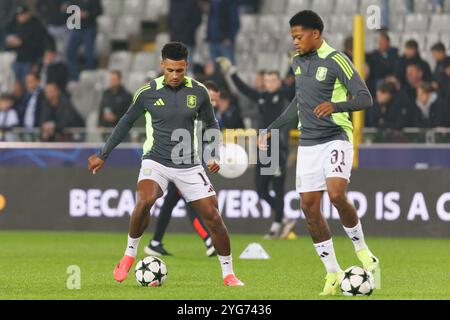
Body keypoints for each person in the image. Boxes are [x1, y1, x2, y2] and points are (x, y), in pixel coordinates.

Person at [87, 42, 244, 287]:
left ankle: (229, 274)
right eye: (170, 70)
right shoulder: (147, 92)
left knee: (213, 217)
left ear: (186, 67)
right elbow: (125, 122)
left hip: (189, 164)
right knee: (145, 200)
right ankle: (130, 253)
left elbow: (212, 125)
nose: (174, 75)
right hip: (156, 160)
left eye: (179, 71)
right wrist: (103, 153)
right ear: (162, 65)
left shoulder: (199, 92)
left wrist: (212, 154)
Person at [258, 11, 379, 296]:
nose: (295, 42)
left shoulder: (337, 60)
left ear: (315, 34)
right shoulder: (297, 62)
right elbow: (298, 103)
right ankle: (333, 272)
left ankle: (362, 250)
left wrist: (335, 107)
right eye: (293, 38)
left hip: (336, 137)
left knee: (336, 195)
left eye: (299, 37)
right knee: (309, 209)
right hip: (309, 143)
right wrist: (272, 128)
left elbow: (365, 98)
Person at [217, 57, 296, 239]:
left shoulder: (284, 94)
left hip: (277, 148)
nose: (269, 83)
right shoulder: (261, 97)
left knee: (277, 187)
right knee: (260, 190)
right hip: (263, 149)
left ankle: (277, 225)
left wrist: (294, 64)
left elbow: (296, 85)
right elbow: (244, 89)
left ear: (279, 81)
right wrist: (232, 72)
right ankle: (283, 217)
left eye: (273, 80)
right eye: (267, 80)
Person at [144, 81, 221, 258]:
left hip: (191, 165)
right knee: (191, 202)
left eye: (216, 101)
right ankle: (208, 240)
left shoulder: (208, 117)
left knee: (171, 202)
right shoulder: (188, 113)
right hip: (177, 164)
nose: (213, 104)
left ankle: (155, 243)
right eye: (211, 99)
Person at [5, 5, 49, 84]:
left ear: (28, 14)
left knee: (27, 84)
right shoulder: (14, 24)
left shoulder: (36, 25)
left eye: (22, 14)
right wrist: (9, 41)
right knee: (15, 84)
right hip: (16, 60)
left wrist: (22, 43)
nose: (20, 17)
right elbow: (6, 35)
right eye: (19, 15)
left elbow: (39, 44)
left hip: (30, 61)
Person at [66, 0, 103, 81]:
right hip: (77, 27)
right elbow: (70, 7)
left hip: (89, 28)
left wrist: (87, 14)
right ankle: (74, 78)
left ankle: (90, 78)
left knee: (89, 54)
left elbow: (99, 11)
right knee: (70, 51)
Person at [168, 0, 202, 71]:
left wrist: (189, 30)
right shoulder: (172, 2)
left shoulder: (192, 2)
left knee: (187, 67)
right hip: (175, 40)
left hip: (187, 40)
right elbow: (170, 18)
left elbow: (198, 19)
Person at [366, 31, 399, 96]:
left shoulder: (394, 55)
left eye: (382, 41)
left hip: (387, 81)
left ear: (388, 42)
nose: (380, 43)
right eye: (379, 41)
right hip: (375, 82)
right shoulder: (374, 55)